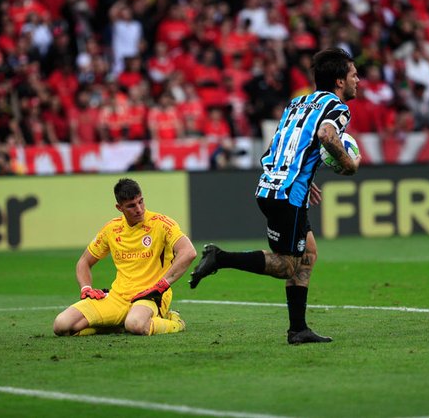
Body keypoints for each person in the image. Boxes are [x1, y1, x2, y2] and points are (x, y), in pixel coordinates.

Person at [189, 47, 361, 344]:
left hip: (272, 186)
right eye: (354, 75)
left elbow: (274, 146)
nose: (359, 80)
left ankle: (298, 329)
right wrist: (349, 165)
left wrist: (305, 176)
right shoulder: (338, 108)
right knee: (288, 265)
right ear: (339, 82)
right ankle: (220, 257)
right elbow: (325, 136)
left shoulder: (297, 103)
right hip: (288, 195)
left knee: (308, 253)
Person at [53, 178, 197, 336]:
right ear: (119, 207)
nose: (139, 209)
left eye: (141, 202)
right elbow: (84, 262)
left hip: (151, 295)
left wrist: (160, 286)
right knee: (62, 326)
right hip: (117, 297)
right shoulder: (111, 229)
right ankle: (116, 324)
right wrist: (86, 288)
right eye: (131, 206)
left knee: (135, 324)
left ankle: (174, 323)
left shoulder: (162, 224)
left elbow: (188, 252)